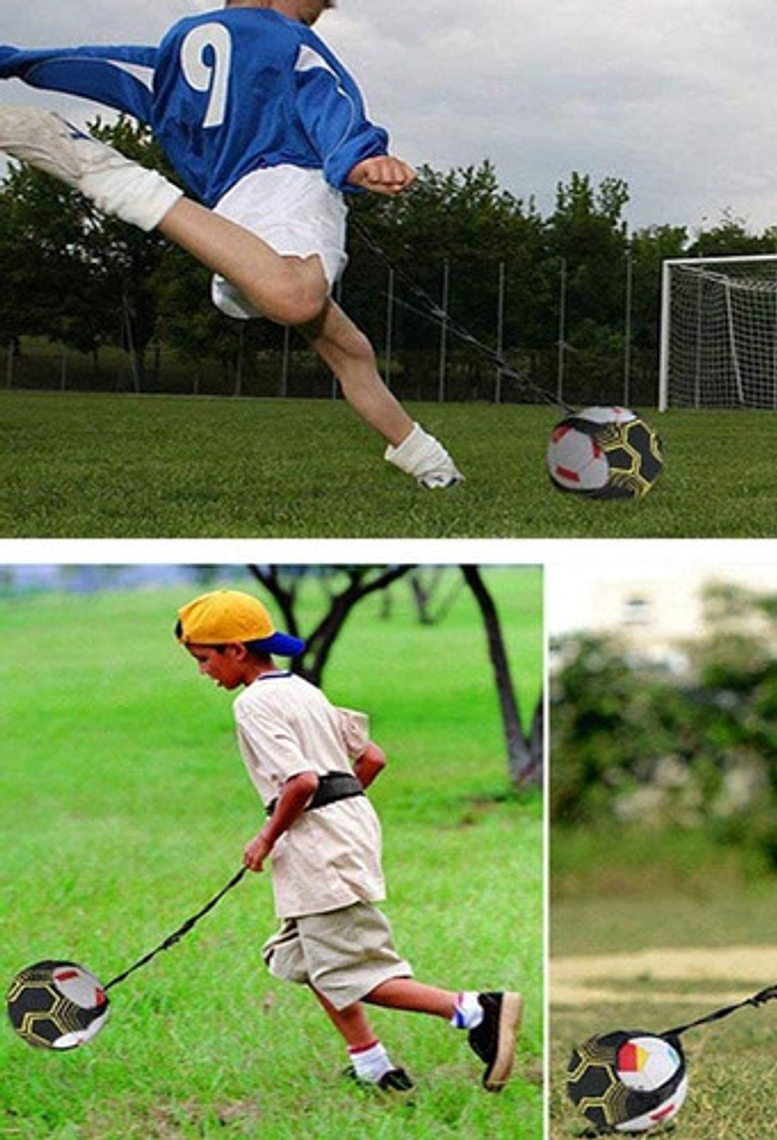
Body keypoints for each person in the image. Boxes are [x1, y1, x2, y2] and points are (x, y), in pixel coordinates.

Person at [0, 0, 462, 489]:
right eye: (317, 5)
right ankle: (107, 176)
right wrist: (361, 159)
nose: (320, 12)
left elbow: (86, 65)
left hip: (232, 213)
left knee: (347, 348)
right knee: (296, 297)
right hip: (292, 185)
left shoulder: (175, 52)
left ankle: (430, 465)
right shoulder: (288, 42)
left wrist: (11, 60)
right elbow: (330, 99)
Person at [174, 587, 521, 1092]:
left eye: (205, 659)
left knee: (354, 968)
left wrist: (266, 839)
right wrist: (342, 810)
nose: (204, 672)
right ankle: (372, 1065)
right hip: (339, 830)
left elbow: (301, 782)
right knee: (302, 957)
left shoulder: (253, 705)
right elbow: (372, 758)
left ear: (235, 649)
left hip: (317, 844)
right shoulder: (302, 689)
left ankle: (475, 1010)